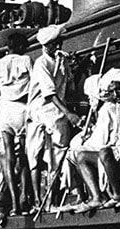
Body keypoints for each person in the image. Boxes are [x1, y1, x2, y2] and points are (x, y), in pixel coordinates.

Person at [72, 69, 120, 212]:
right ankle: (97, 197)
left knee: (105, 152)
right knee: (81, 156)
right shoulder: (116, 105)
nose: (116, 95)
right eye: (113, 91)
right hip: (119, 153)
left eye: (119, 90)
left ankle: (118, 195)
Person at [26, 25, 80, 210]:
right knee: (38, 156)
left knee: (58, 155)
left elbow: (69, 88)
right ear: (46, 45)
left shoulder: (61, 60)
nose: (58, 47)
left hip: (57, 112)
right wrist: (69, 114)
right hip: (41, 112)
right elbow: (49, 94)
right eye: (54, 44)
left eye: (59, 43)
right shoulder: (41, 63)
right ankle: (39, 200)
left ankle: (53, 199)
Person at [0, 32, 32, 214]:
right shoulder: (27, 60)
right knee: (24, 155)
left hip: (5, 111)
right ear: (21, 47)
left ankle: (13, 204)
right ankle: (24, 199)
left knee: (9, 156)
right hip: (23, 108)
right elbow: (34, 85)